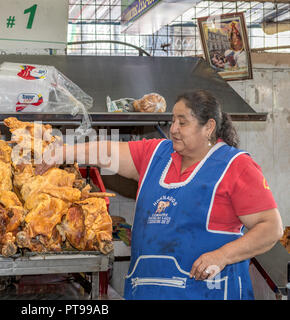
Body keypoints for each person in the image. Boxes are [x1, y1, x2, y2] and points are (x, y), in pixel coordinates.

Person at [51, 89, 283, 300]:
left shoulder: (235, 166)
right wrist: (61, 153)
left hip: (208, 292)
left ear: (209, 127)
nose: (173, 129)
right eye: (173, 121)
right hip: (148, 291)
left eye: (183, 123)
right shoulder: (157, 155)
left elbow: (271, 228)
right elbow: (106, 152)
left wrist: (222, 256)